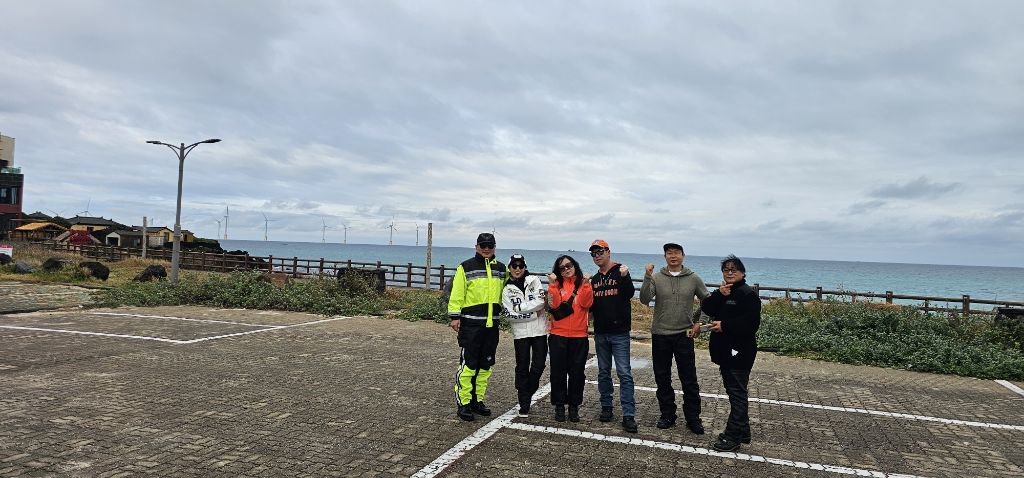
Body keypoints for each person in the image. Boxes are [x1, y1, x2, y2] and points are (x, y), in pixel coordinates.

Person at [639, 242, 710, 434]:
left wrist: (701, 322)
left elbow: (707, 300)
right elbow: (644, 299)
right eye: (669, 253)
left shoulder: (693, 278)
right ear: (665, 257)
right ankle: (667, 414)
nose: (673, 256)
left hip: (684, 334)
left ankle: (693, 418)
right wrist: (647, 276)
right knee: (662, 377)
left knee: (689, 379)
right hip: (660, 334)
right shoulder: (657, 277)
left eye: (676, 253)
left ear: (683, 256)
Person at [701, 255, 761, 451]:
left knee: (737, 394)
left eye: (734, 269)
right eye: (726, 270)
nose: (729, 272)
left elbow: (751, 324)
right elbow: (706, 307)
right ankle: (743, 432)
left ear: (742, 272)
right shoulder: (724, 291)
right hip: (725, 352)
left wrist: (724, 325)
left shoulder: (747, 294)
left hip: (740, 353)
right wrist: (719, 294)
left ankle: (733, 436)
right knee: (734, 392)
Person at [448, 233, 507, 422]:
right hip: (471, 325)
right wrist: (454, 316)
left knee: (485, 366)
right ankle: (464, 403)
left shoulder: (501, 269)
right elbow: (457, 293)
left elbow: (510, 288)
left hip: (491, 326)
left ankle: (477, 401)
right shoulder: (465, 267)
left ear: (495, 247)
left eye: (490, 245)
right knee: (469, 365)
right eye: (483, 245)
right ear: (476, 246)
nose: (486, 248)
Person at [588, 239, 638, 433]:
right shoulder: (594, 280)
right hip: (600, 333)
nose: (597, 256)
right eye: (594, 253)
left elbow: (629, 294)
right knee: (603, 372)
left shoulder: (621, 271)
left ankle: (628, 414)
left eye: (600, 252)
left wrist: (625, 277)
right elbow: (590, 307)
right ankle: (606, 407)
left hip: (620, 333)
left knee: (624, 373)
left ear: (608, 252)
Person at [547, 254, 593, 423]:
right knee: (558, 373)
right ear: (558, 271)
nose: (566, 269)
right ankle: (559, 405)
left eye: (569, 265)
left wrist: (586, 285)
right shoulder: (556, 285)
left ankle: (574, 406)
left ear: (575, 265)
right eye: (562, 268)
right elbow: (553, 304)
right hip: (558, 335)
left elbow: (587, 303)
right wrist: (553, 285)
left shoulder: (583, 283)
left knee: (577, 374)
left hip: (579, 336)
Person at [501, 254, 549, 417]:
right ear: (509, 268)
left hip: (539, 331)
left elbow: (540, 302)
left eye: (520, 266)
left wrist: (520, 308)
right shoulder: (506, 289)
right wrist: (533, 313)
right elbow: (509, 314)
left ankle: (526, 392)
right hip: (520, 333)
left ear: (525, 267)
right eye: (514, 266)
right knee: (522, 366)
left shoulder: (534, 280)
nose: (517, 269)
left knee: (539, 365)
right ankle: (524, 403)